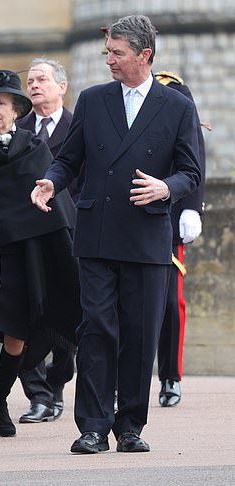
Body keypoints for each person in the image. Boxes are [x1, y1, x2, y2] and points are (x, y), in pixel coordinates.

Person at [31, 15, 201, 454]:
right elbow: (69, 159)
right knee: (96, 330)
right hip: (98, 233)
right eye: (107, 52)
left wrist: (167, 188)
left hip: (147, 236)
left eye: (117, 53)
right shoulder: (92, 100)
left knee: (140, 333)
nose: (108, 59)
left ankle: (129, 426)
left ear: (144, 56)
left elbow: (191, 172)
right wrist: (51, 180)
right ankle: (91, 425)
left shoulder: (177, 106)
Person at [0, 70, 80, 442]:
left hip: (25, 255)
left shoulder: (35, 147)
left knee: (16, 338)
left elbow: (56, 205)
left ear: (17, 109)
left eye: (1, 103)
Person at [16, 58, 77, 424]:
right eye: (32, 80)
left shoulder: (78, 126)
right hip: (27, 234)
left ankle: (59, 377)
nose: (35, 85)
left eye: (42, 79)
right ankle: (38, 394)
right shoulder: (18, 128)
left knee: (67, 311)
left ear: (61, 87)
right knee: (26, 313)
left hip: (69, 233)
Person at [154, 71, 206, 408]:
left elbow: (193, 155)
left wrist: (191, 207)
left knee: (171, 303)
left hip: (166, 214)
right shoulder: (111, 96)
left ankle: (170, 375)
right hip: (124, 215)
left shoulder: (173, 90)